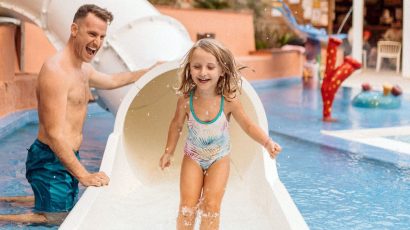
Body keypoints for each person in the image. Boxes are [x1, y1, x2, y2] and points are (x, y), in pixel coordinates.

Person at [0, 4, 159, 225]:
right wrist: (84, 175)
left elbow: (112, 81)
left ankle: (7, 200)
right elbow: (54, 134)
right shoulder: (56, 72)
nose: (97, 42)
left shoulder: (83, 69)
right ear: (75, 30)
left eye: (102, 36)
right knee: (58, 218)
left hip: (66, 157)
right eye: (92, 33)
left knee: (68, 207)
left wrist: (149, 71)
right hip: (50, 159)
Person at [158, 38, 282, 229]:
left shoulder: (229, 101)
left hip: (219, 159)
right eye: (197, 66)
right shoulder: (185, 100)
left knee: (211, 207)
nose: (203, 72)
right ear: (189, 69)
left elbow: (248, 125)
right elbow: (176, 125)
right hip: (193, 156)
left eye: (210, 67)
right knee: (187, 207)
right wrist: (168, 151)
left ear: (222, 70)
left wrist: (267, 142)